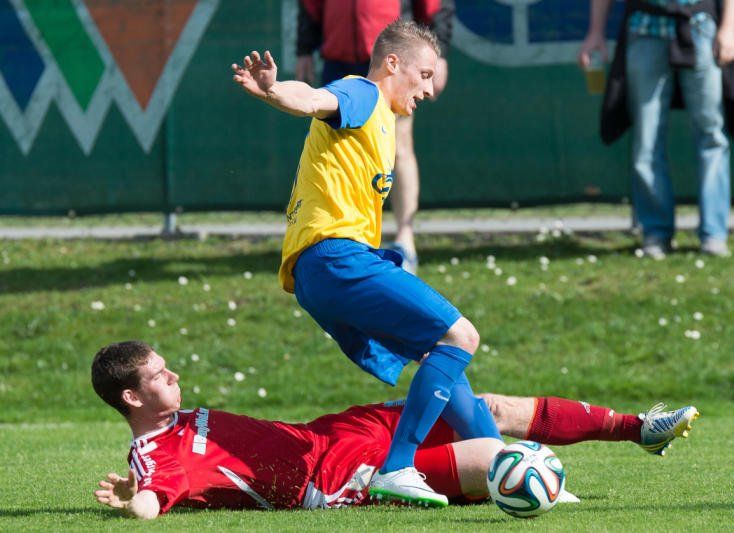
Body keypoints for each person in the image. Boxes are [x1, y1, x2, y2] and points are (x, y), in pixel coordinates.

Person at [231, 21, 496, 507]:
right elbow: (314, 99)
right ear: (392, 63)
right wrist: (274, 91)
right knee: (461, 336)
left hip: (323, 270)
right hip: (334, 258)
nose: (429, 89)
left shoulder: (382, 119)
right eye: (424, 74)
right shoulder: (363, 94)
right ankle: (398, 467)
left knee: (442, 358)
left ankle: (502, 465)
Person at [91, 341, 700, 519]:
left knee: (483, 404)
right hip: (338, 476)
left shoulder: (177, 420)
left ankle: (639, 429)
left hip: (336, 431)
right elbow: (153, 500)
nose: (174, 374)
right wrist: (134, 500)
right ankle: (532, 483)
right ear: (131, 397)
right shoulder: (156, 452)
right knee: (490, 453)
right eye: (159, 375)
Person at [295, 0, 454, 273]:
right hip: (338, 57)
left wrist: (438, 55)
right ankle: (346, 240)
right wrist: (304, 49)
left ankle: (405, 240)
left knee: (399, 146)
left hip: (391, 61)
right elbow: (311, 5)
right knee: (337, 149)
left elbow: (434, 6)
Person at [579, 0, 734, 259]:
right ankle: (655, 233)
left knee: (711, 136)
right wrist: (595, 32)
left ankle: (714, 234)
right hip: (644, 29)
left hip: (700, 28)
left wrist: (729, 27)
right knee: (646, 141)